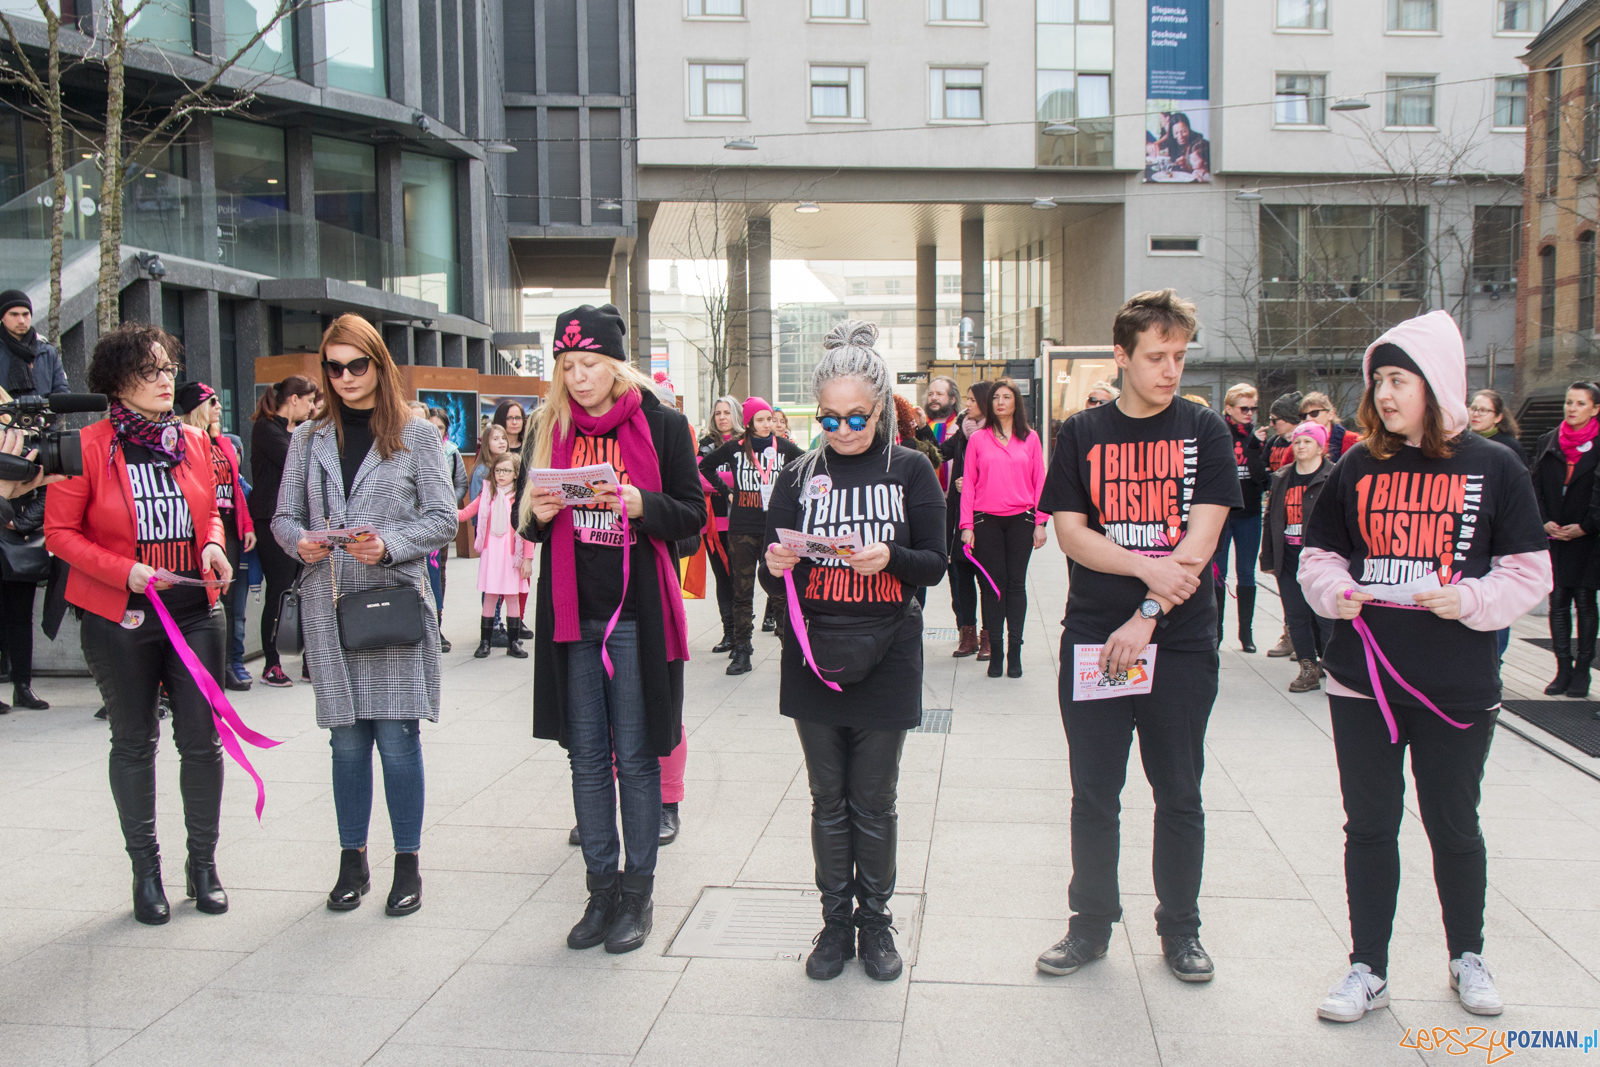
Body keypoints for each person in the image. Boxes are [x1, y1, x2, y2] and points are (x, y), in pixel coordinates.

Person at [1299, 310, 1549, 1022]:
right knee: (1369, 825)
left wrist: (1471, 596)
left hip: (1457, 684)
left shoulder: (1495, 464)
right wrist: (1335, 592)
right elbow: (1319, 555)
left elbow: (1531, 573)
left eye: (1399, 379)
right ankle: (1367, 967)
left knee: (1453, 823)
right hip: (1363, 680)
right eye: (1378, 379)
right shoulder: (1358, 464)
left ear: (1436, 382)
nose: (1384, 393)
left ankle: (1466, 955)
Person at [1036, 289, 1239, 983]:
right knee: (1095, 789)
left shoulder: (1205, 432)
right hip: (1096, 635)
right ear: (1121, 355)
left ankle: (1180, 929)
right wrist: (1143, 569)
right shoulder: (1083, 434)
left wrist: (1146, 613)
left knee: (1179, 787)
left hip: (1175, 640)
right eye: (1156, 356)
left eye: (1180, 356)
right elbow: (1070, 533)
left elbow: (1203, 539)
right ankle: (1090, 925)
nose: (1170, 369)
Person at [760, 320, 946, 982]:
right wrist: (777, 561)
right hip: (814, 655)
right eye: (829, 418)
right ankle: (835, 922)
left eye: (856, 417)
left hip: (888, 652)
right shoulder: (797, 472)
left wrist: (889, 557)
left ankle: (876, 921)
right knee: (826, 795)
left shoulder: (910, 468)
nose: (842, 430)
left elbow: (934, 562)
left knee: (874, 796)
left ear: (881, 405)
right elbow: (767, 570)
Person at [519, 303, 703, 955]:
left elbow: (693, 514)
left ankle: (638, 893)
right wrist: (538, 514)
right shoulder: (547, 425)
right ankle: (600, 890)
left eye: (590, 364)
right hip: (574, 616)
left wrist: (640, 504)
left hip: (637, 619)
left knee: (636, 753)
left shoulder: (664, 424)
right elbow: (526, 521)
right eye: (567, 365)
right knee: (587, 756)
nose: (578, 377)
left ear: (617, 364)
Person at [43, 323, 237, 925]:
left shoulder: (193, 441)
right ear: (117, 381)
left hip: (194, 607)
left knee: (202, 740)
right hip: (118, 614)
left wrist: (212, 543)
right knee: (134, 741)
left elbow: (210, 514)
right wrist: (121, 570)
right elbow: (59, 535)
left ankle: (202, 866)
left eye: (168, 369)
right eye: (149, 371)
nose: (164, 380)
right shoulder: (87, 446)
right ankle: (144, 871)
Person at [271, 314, 458, 918]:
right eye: (334, 367)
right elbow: (281, 517)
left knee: (398, 739)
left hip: (393, 604)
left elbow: (443, 518)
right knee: (346, 743)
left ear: (379, 364)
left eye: (357, 365)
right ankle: (353, 861)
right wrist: (299, 540)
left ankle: (409, 863)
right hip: (329, 605)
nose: (346, 377)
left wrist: (390, 544)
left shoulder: (417, 435)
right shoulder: (308, 436)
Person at [698, 396, 805, 675]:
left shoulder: (783, 447)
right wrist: (727, 491)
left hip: (774, 529)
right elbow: (704, 467)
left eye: (769, 418)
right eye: (760, 419)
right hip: (742, 528)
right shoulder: (735, 448)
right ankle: (743, 650)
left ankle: (789, 649)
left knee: (780, 592)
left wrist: (791, 498)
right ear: (748, 422)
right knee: (741, 592)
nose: (767, 424)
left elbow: (807, 465)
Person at [959, 378, 1048, 678]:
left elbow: (1040, 483)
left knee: (1016, 586)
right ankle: (995, 652)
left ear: (1016, 403)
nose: (1000, 402)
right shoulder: (978, 439)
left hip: (1022, 519)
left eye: (1006, 397)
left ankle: (1015, 653)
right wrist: (966, 526)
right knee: (992, 587)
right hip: (986, 521)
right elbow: (968, 484)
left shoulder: (1031, 438)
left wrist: (1041, 523)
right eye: (995, 397)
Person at [178, 382, 257, 692]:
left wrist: (247, 525)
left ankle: (227, 664)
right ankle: (202, 670)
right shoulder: (181, 441)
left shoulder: (225, 443)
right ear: (195, 407)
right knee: (206, 602)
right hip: (198, 532)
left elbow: (237, 488)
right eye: (211, 402)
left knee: (232, 602)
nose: (218, 408)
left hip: (228, 528)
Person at [1531, 381, 1600, 698]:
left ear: (1595, 409)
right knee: (1557, 602)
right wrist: (1544, 521)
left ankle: (1583, 670)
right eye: (1569, 402)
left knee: (1585, 602)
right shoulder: (1549, 441)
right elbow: (1534, 487)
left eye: (1580, 403)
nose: (1571, 408)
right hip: (1555, 535)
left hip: (1589, 537)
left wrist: (1587, 525)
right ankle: (1563, 668)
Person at [250, 375, 320, 687]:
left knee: (307, 588)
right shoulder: (266, 428)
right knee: (279, 589)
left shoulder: (300, 431)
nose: (312, 407)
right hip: (270, 519)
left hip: (303, 520)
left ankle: (308, 661)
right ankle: (271, 663)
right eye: (309, 400)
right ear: (294, 399)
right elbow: (296, 461)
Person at [1260, 421, 1334, 693]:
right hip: (1289, 559)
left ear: (1320, 447)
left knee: (1326, 617)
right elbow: (1270, 518)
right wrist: (1267, 557)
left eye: (1308, 442)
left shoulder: (1332, 476)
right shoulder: (1282, 477)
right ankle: (1308, 667)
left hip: (1322, 562)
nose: (1301, 446)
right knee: (1296, 616)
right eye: (1298, 441)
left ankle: (1332, 665)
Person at [916, 375, 980, 655]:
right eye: (931, 393)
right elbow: (933, 454)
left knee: (958, 571)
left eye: (940, 394)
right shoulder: (921, 426)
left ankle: (966, 630)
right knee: (920, 567)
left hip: (954, 507)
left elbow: (941, 455)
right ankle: (911, 625)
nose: (933, 398)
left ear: (952, 399)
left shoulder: (963, 427)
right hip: (925, 506)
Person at [1211, 383, 1271, 652]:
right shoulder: (1217, 434)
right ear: (1229, 408)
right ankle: (1216, 633)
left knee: (1246, 573)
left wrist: (1255, 449)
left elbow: (1263, 478)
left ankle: (1246, 635)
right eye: (1243, 408)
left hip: (1249, 514)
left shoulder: (1256, 439)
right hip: (1222, 516)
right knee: (1218, 574)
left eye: (1253, 408)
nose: (1249, 413)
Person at [460, 451, 532, 659]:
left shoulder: (520, 498)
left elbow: (526, 531)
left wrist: (527, 559)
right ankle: (485, 642)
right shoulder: (487, 494)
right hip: (492, 554)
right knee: (490, 598)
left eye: (506, 471)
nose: (501, 474)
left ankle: (513, 643)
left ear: (516, 474)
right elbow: (466, 513)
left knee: (512, 598)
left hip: (511, 556)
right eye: (498, 470)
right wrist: (444, 511)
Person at [1263, 390, 1306, 659]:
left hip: (1306, 525)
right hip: (1282, 516)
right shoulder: (1273, 443)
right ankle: (1294, 634)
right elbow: (1261, 470)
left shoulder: (1308, 446)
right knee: (1288, 588)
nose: (1271, 424)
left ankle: (1310, 642)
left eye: (1276, 419)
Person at [698, 396, 742, 653]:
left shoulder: (744, 443)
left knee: (739, 580)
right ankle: (729, 634)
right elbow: (697, 477)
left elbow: (748, 477)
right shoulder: (705, 445)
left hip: (740, 521)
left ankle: (741, 635)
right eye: (717, 413)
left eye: (727, 412)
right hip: (712, 523)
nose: (722, 417)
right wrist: (729, 483)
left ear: (735, 414)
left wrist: (716, 479)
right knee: (722, 580)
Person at [423, 405, 468, 653]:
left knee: (437, 576)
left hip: (438, 524)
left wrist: (448, 504)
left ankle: (436, 627)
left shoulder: (451, 452)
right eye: (431, 426)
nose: (435, 431)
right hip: (415, 523)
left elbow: (460, 483)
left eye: (439, 427)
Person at [1, 290, 70, 400]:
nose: (21, 320)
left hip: (42, 416)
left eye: (25, 314)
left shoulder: (47, 351)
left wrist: (45, 414)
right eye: (14, 314)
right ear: (2, 318)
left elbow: (62, 393)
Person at [1469, 389, 1527, 468]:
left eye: (1483, 410)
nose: (1476, 414)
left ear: (1498, 417)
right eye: (1473, 408)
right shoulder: (1459, 440)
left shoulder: (1510, 445)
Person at [1300, 391, 1353, 461]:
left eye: (1314, 413)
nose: (1308, 418)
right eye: (1304, 416)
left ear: (1330, 414)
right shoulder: (1298, 443)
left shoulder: (1351, 440)